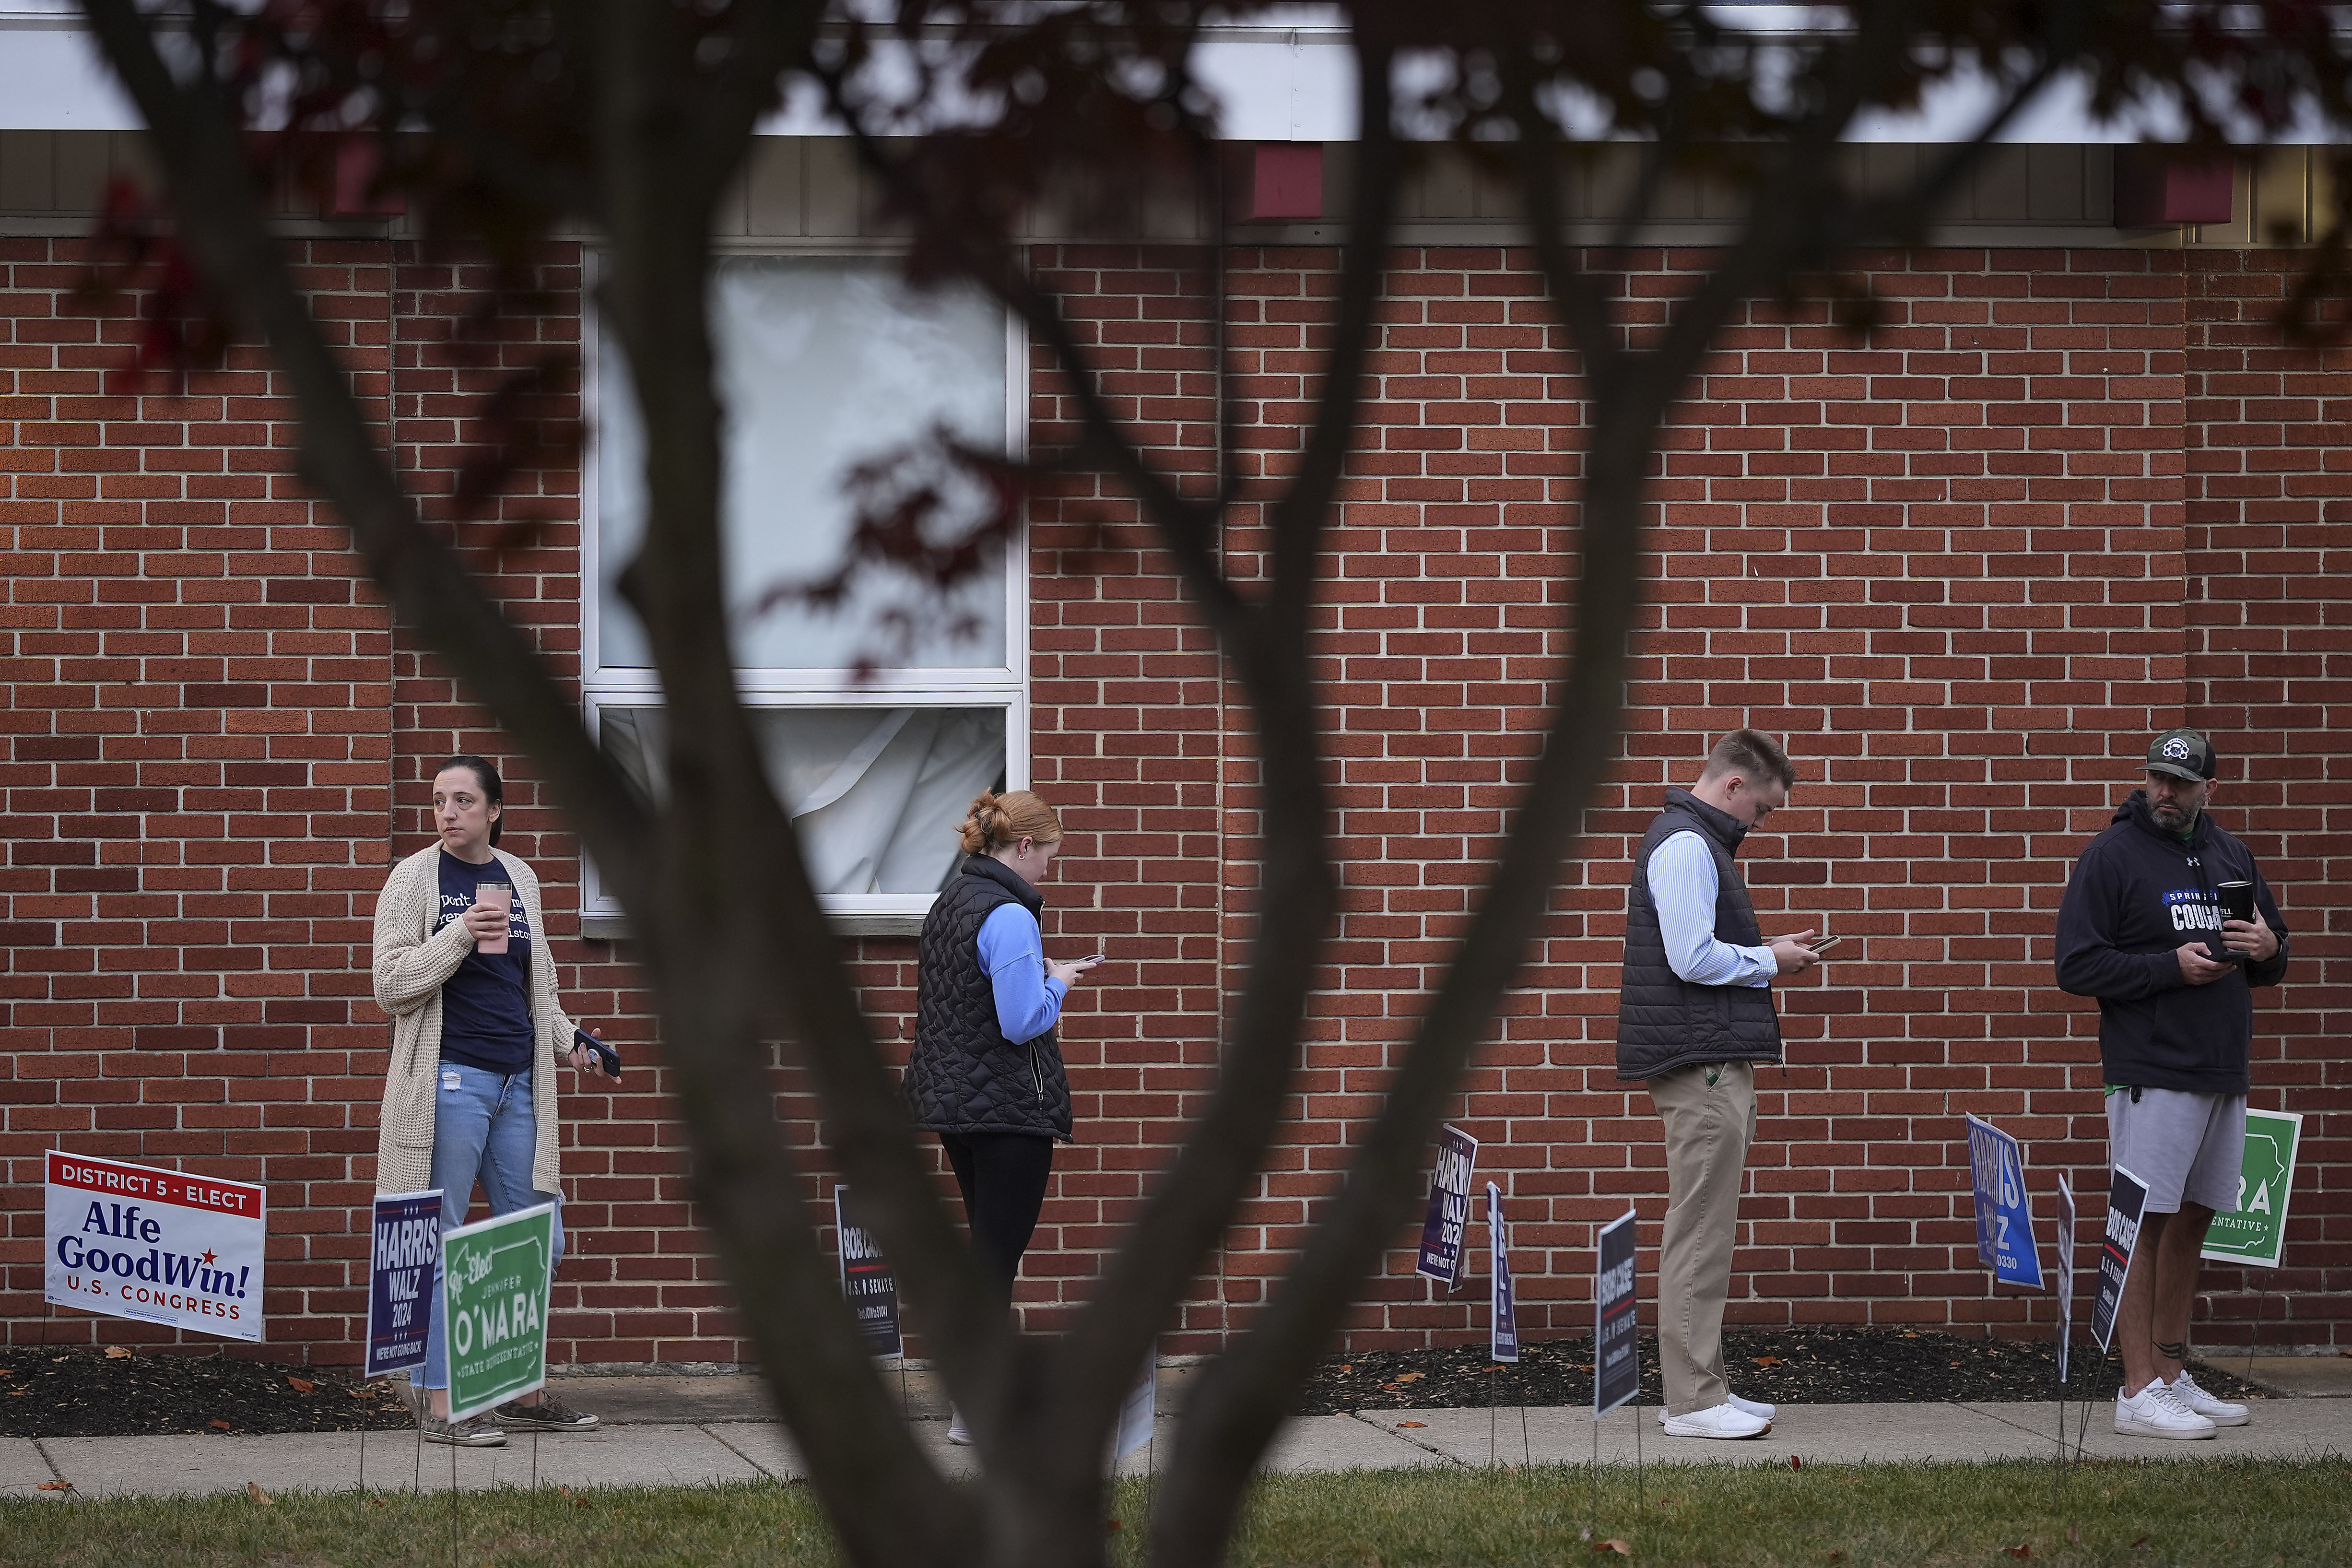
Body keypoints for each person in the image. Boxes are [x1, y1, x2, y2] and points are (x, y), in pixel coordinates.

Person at [372, 755, 620, 1446]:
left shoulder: (521, 877)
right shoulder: (414, 880)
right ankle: (445, 1405)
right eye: (439, 801)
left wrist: (575, 1041)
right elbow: (389, 985)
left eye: (462, 800)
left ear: (494, 810)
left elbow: (536, 987)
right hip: (449, 1081)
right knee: (443, 1242)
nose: (447, 812)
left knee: (538, 1236)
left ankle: (517, 1392)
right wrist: (458, 933)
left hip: (519, 1084)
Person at [2056, 727, 2287, 1440]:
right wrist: (2168, 968)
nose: (2165, 792)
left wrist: (2268, 946)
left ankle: (2169, 1371)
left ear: (2208, 789)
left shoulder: (2229, 853)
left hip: (2221, 1067)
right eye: (2157, 778)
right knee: (2145, 1221)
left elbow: (2272, 953)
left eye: (2181, 783)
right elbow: (2076, 965)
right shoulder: (2113, 855)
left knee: (2194, 1218)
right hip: (2150, 1071)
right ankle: (2134, 1390)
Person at [1617, 729, 1823, 1440]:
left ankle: (1705, 1388)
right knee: (1701, 1230)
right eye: (1761, 810)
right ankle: (1696, 1400)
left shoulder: (1693, 842)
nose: (1758, 824)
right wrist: (1772, 957)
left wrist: (1769, 954)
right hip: (1699, 1060)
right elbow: (1690, 956)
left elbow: (1699, 951)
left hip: (1704, 1056)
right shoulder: (1686, 844)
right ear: (1733, 785)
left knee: (1706, 1226)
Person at [905, 789, 1098, 1445]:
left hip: (957, 1108)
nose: (1049, 868)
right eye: (1048, 856)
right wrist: (1061, 984)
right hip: (1010, 1109)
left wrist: (1040, 976)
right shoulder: (1012, 915)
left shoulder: (948, 904)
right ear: (1022, 848)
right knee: (995, 1256)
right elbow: (1020, 1020)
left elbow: (966, 1002)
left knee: (986, 1251)